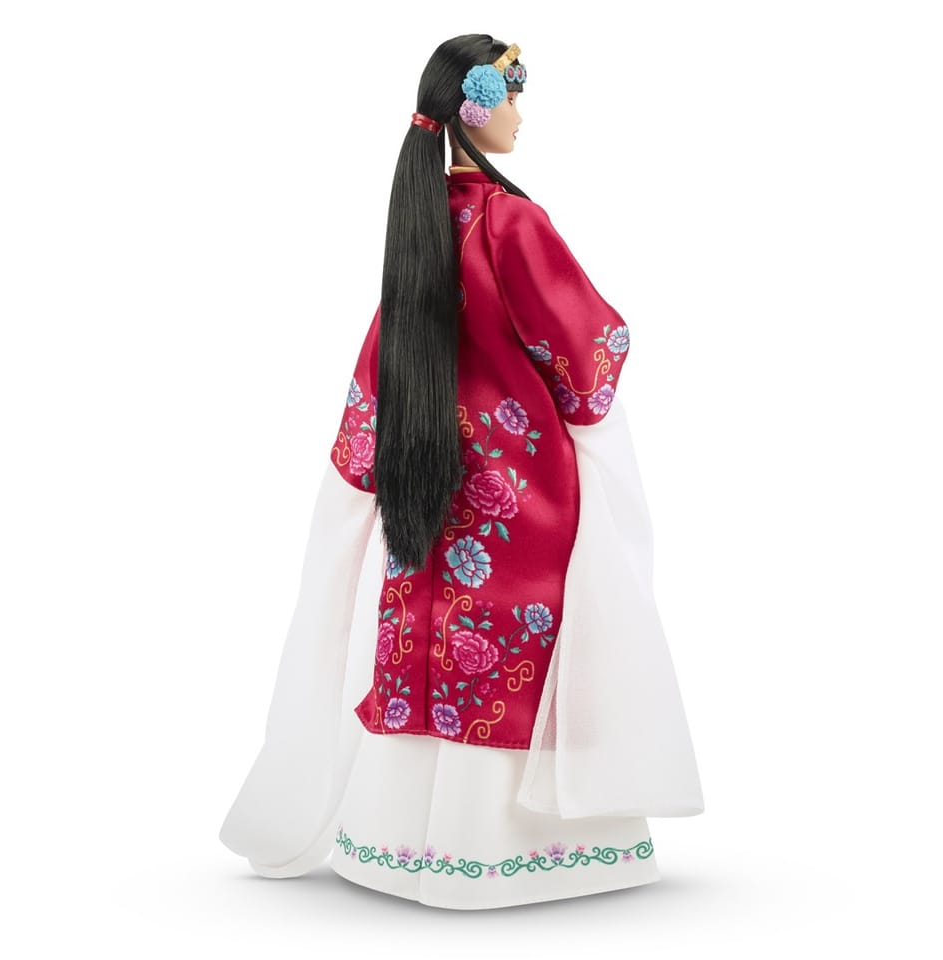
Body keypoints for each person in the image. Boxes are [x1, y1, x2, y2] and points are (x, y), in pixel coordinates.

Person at [219, 34, 704, 911]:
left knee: (427, 635)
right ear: (476, 108)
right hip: (516, 491)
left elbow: (382, 355)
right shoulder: (511, 223)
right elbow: (587, 344)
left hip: (427, 478)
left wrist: (365, 461)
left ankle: (396, 845)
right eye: (513, 94)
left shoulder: (425, 221)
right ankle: (513, 849)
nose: (521, 113)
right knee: (513, 642)